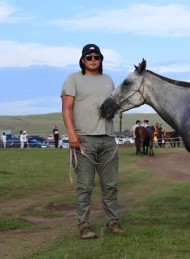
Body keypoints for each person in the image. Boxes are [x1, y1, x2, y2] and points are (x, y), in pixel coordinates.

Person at [61, 43, 122, 239]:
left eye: (97, 57)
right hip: (84, 139)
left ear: (101, 59)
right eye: (89, 57)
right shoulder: (73, 79)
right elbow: (67, 108)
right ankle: (84, 225)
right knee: (85, 185)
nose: (93, 60)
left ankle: (113, 222)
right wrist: (71, 134)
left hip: (108, 139)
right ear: (82, 60)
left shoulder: (109, 80)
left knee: (110, 185)